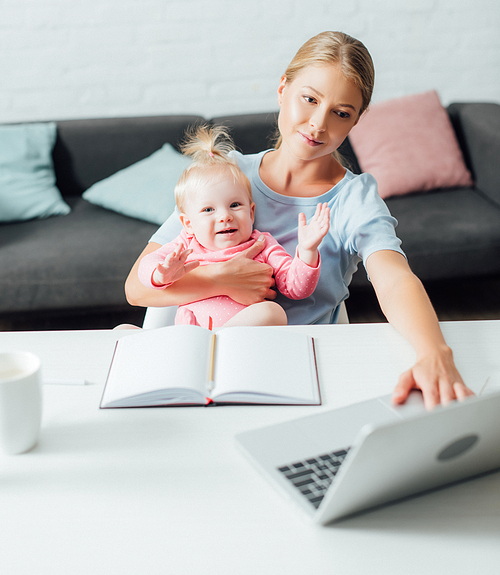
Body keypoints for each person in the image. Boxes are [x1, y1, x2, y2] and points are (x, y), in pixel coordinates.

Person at [126, 30, 474, 410]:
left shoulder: (353, 199)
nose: (318, 125)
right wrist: (222, 279)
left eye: (341, 113)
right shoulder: (225, 178)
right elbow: (137, 288)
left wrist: (434, 352)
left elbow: (393, 279)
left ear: (357, 120)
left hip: (297, 374)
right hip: (200, 366)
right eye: (309, 99)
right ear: (282, 89)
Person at [137, 125, 330, 328]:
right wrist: (160, 274)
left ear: (251, 212)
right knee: (123, 331)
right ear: (188, 224)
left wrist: (307, 251)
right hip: (189, 336)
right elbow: (147, 264)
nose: (225, 216)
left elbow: (296, 288)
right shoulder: (185, 244)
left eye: (235, 205)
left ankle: (219, 337)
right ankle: (207, 340)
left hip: (240, 344)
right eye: (208, 210)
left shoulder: (262, 244)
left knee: (272, 312)